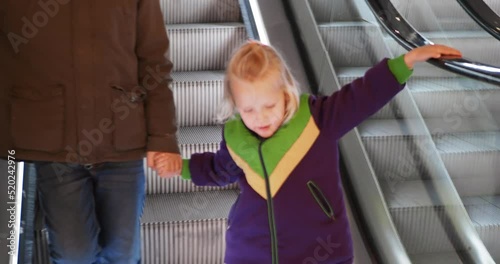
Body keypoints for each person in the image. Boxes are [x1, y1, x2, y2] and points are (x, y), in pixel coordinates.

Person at [156, 40, 462, 263]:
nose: (260, 117)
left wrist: (406, 62)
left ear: (287, 93)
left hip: (319, 249)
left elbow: (363, 96)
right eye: (248, 109)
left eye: (269, 106)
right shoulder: (235, 137)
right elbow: (218, 170)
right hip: (250, 251)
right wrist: (180, 166)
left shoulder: (319, 119)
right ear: (235, 106)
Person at [0, 0, 181, 263]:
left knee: (124, 252)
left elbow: (154, 59)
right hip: (53, 146)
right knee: (74, 253)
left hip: (122, 140)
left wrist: (163, 137)